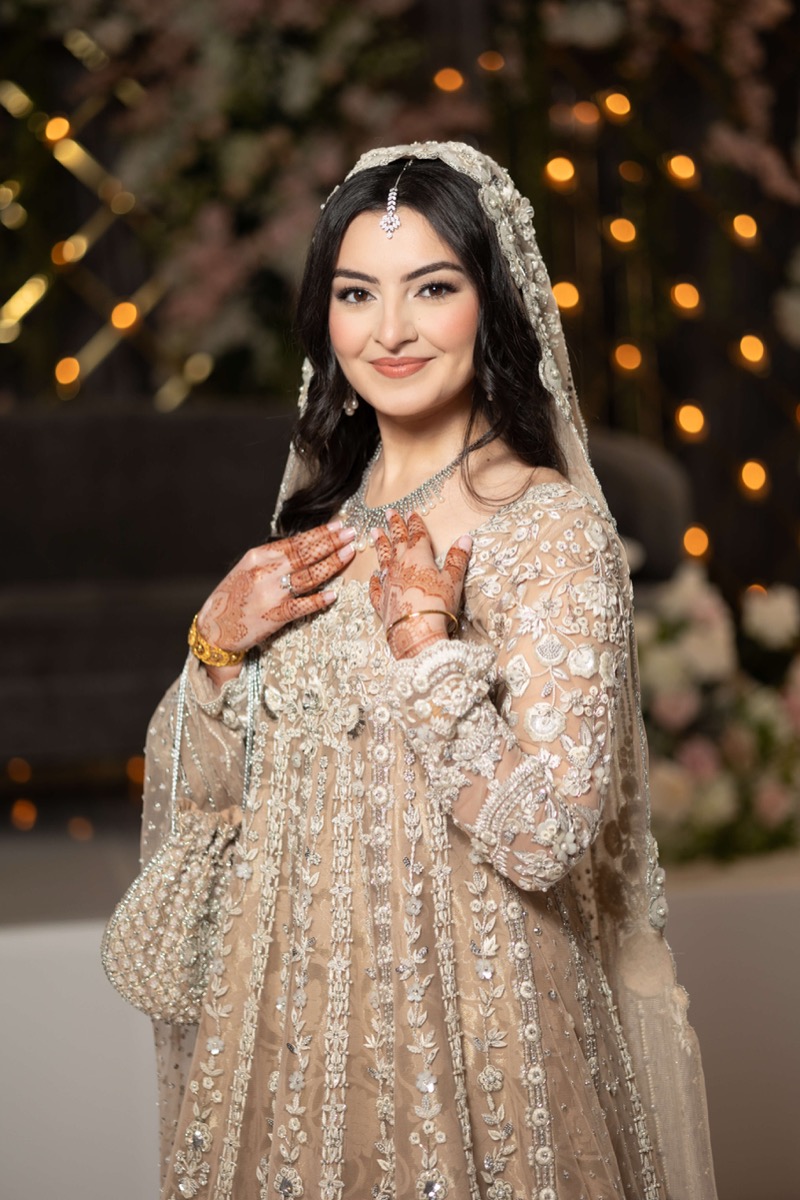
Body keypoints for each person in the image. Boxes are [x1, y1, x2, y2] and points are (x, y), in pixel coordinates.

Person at [137, 142, 717, 1200]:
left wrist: (425, 650)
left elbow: (546, 836)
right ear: (324, 317)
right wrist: (215, 644)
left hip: (476, 1040)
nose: (389, 331)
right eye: (357, 293)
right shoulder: (317, 520)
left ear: (488, 305)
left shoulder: (541, 527)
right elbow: (219, 796)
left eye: (431, 289)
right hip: (293, 1029)